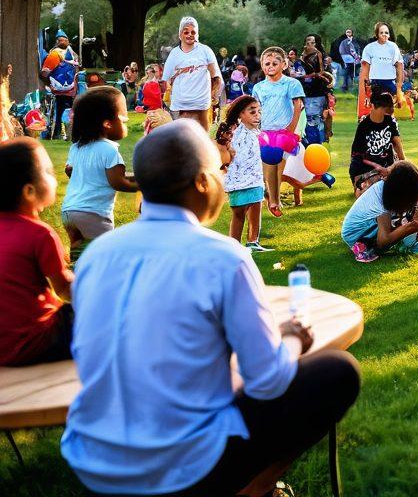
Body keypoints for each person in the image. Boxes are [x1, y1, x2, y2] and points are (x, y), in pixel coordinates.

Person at [60, 119, 361, 496]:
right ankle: (255, 488)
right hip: (180, 467)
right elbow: (267, 381)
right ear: (203, 182)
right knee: (338, 371)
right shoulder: (222, 257)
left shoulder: (96, 255)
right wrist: (291, 341)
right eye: (220, 171)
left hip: (93, 459)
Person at [0, 137, 75, 366]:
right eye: (49, 172)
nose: (54, 179)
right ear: (29, 191)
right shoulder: (39, 234)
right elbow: (64, 288)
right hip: (34, 343)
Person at [61, 87, 140, 255]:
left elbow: (70, 171)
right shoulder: (109, 150)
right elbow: (119, 181)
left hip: (69, 211)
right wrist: (146, 183)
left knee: (79, 254)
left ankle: (76, 278)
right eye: (123, 120)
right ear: (107, 123)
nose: (125, 124)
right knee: (105, 254)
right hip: (93, 213)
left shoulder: (77, 147)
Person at [342, 159, 418, 262]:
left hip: (374, 225)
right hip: (357, 233)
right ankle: (367, 246)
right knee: (398, 228)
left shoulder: (409, 188)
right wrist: (413, 226)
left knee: (407, 217)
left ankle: (400, 242)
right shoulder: (381, 196)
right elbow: (383, 242)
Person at [252, 47, 304, 218]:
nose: (270, 66)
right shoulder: (259, 87)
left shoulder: (292, 83)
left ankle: (275, 196)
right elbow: (256, 109)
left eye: (275, 63)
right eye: (267, 63)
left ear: (284, 64)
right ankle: (273, 199)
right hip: (266, 130)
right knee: (268, 164)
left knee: (279, 164)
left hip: (285, 131)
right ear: (262, 65)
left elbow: (298, 106)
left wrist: (292, 127)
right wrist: (255, 127)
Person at [215, 95, 269, 253]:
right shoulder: (234, 133)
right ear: (240, 114)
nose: (257, 115)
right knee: (239, 213)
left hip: (255, 178)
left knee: (256, 209)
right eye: (252, 112)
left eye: (259, 112)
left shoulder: (255, 132)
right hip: (239, 180)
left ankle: (253, 241)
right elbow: (226, 155)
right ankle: (234, 245)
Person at [162, 16, 222, 130]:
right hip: (182, 102)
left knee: (203, 134)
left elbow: (215, 75)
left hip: (201, 102)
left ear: (197, 34)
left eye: (193, 32)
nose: (190, 34)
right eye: (186, 32)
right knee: (184, 135)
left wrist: (214, 92)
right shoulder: (174, 54)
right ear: (180, 34)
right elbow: (165, 79)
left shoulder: (205, 51)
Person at [349, 91, 404, 193]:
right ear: (373, 106)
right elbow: (358, 156)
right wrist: (378, 168)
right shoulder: (363, 126)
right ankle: (360, 187)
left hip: (387, 167)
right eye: (382, 109)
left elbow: (397, 143)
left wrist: (403, 163)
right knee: (368, 191)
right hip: (365, 169)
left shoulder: (390, 121)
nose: (384, 113)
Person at [360, 22, 405, 98]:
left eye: (386, 32)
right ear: (377, 34)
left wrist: (399, 84)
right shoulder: (369, 48)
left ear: (389, 34)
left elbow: (399, 66)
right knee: (377, 105)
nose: (384, 34)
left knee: (391, 105)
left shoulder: (393, 47)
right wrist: (366, 82)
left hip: (390, 81)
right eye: (381, 32)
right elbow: (365, 66)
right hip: (375, 82)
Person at [300, 34, 328, 145]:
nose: (309, 44)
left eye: (312, 42)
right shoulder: (302, 56)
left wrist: (310, 76)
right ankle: (309, 145)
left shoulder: (319, 55)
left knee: (315, 119)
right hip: (305, 93)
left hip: (317, 92)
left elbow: (322, 72)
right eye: (307, 42)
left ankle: (316, 145)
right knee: (306, 120)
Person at [336, 28, 362, 93]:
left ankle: (351, 87)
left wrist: (358, 56)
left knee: (353, 74)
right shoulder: (344, 42)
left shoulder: (355, 41)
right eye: (347, 32)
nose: (348, 33)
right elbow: (342, 51)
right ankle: (345, 87)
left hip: (356, 61)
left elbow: (358, 49)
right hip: (348, 60)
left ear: (352, 33)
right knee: (347, 73)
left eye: (349, 32)